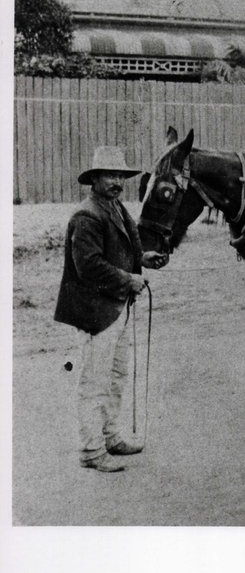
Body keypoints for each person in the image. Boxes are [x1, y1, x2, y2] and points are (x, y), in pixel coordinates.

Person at [54, 146, 169, 472]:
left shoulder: (115, 207)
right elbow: (88, 266)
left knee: (116, 375)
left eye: (120, 175)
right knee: (94, 381)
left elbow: (118, 249)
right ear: (95, 179)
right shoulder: (86, 215)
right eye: (110, 175)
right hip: (95, 313)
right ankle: (91, 450)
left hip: (117, 308)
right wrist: (129, 279)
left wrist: (142, 259)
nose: (117, 182)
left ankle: (111, 436)